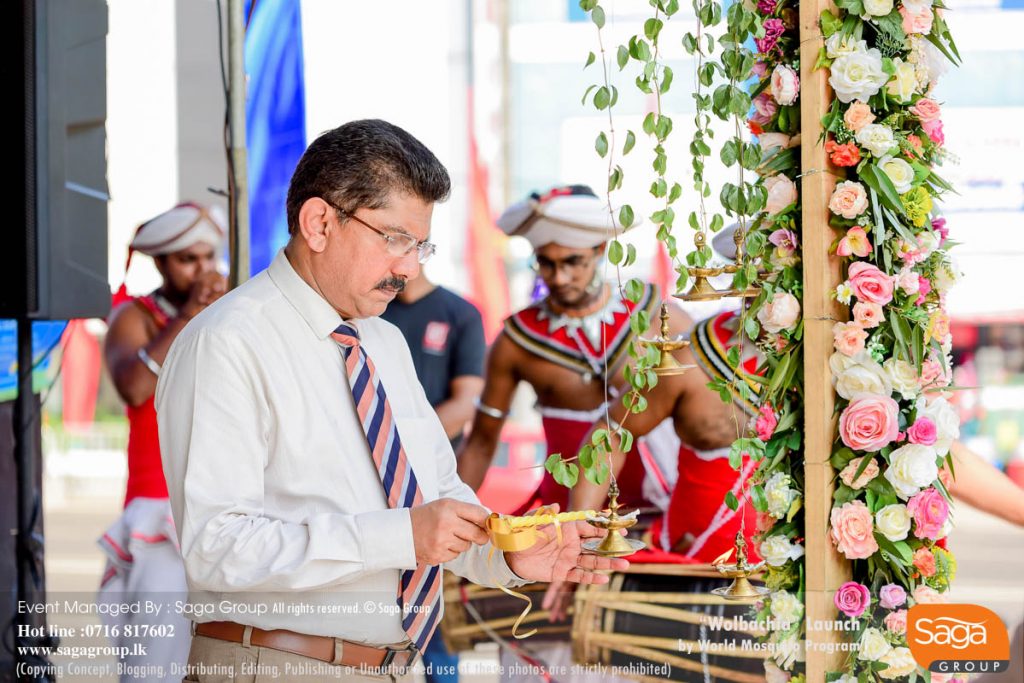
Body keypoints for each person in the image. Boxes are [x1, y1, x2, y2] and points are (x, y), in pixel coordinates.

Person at [155, 119, 627, 683]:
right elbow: (216, 548)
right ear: (319, 223)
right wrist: (400, 536)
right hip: (275, 664)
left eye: (420, 245)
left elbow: (438, 496)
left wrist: (507, 554)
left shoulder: (383, 341)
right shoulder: (227, 342)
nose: (410, 267)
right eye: (395, 239)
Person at [456, 185, 683, 516]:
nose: (560, 278)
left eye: (573, 262)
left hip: (657, 514)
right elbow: (480, 442)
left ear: (600, 250)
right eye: (546, 263)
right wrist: (451, 519)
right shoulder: (517, 339)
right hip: (563, 519)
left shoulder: (655, 316)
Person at [99, 202, 228, 682]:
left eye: (208, 256)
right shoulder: (134, 317)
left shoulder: (230, 310)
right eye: (187, 260)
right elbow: (134, 388)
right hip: (157, 503)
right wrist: (189, 315)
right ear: (161, 263)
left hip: (224, 501)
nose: (202, 269)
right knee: (153, 662)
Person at [380, 273, 487, 683]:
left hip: (433, 483)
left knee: (434, 620)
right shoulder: (367, 310)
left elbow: (466, 403)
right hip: (370, 484)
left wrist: (396, 447)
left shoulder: (460, 314)